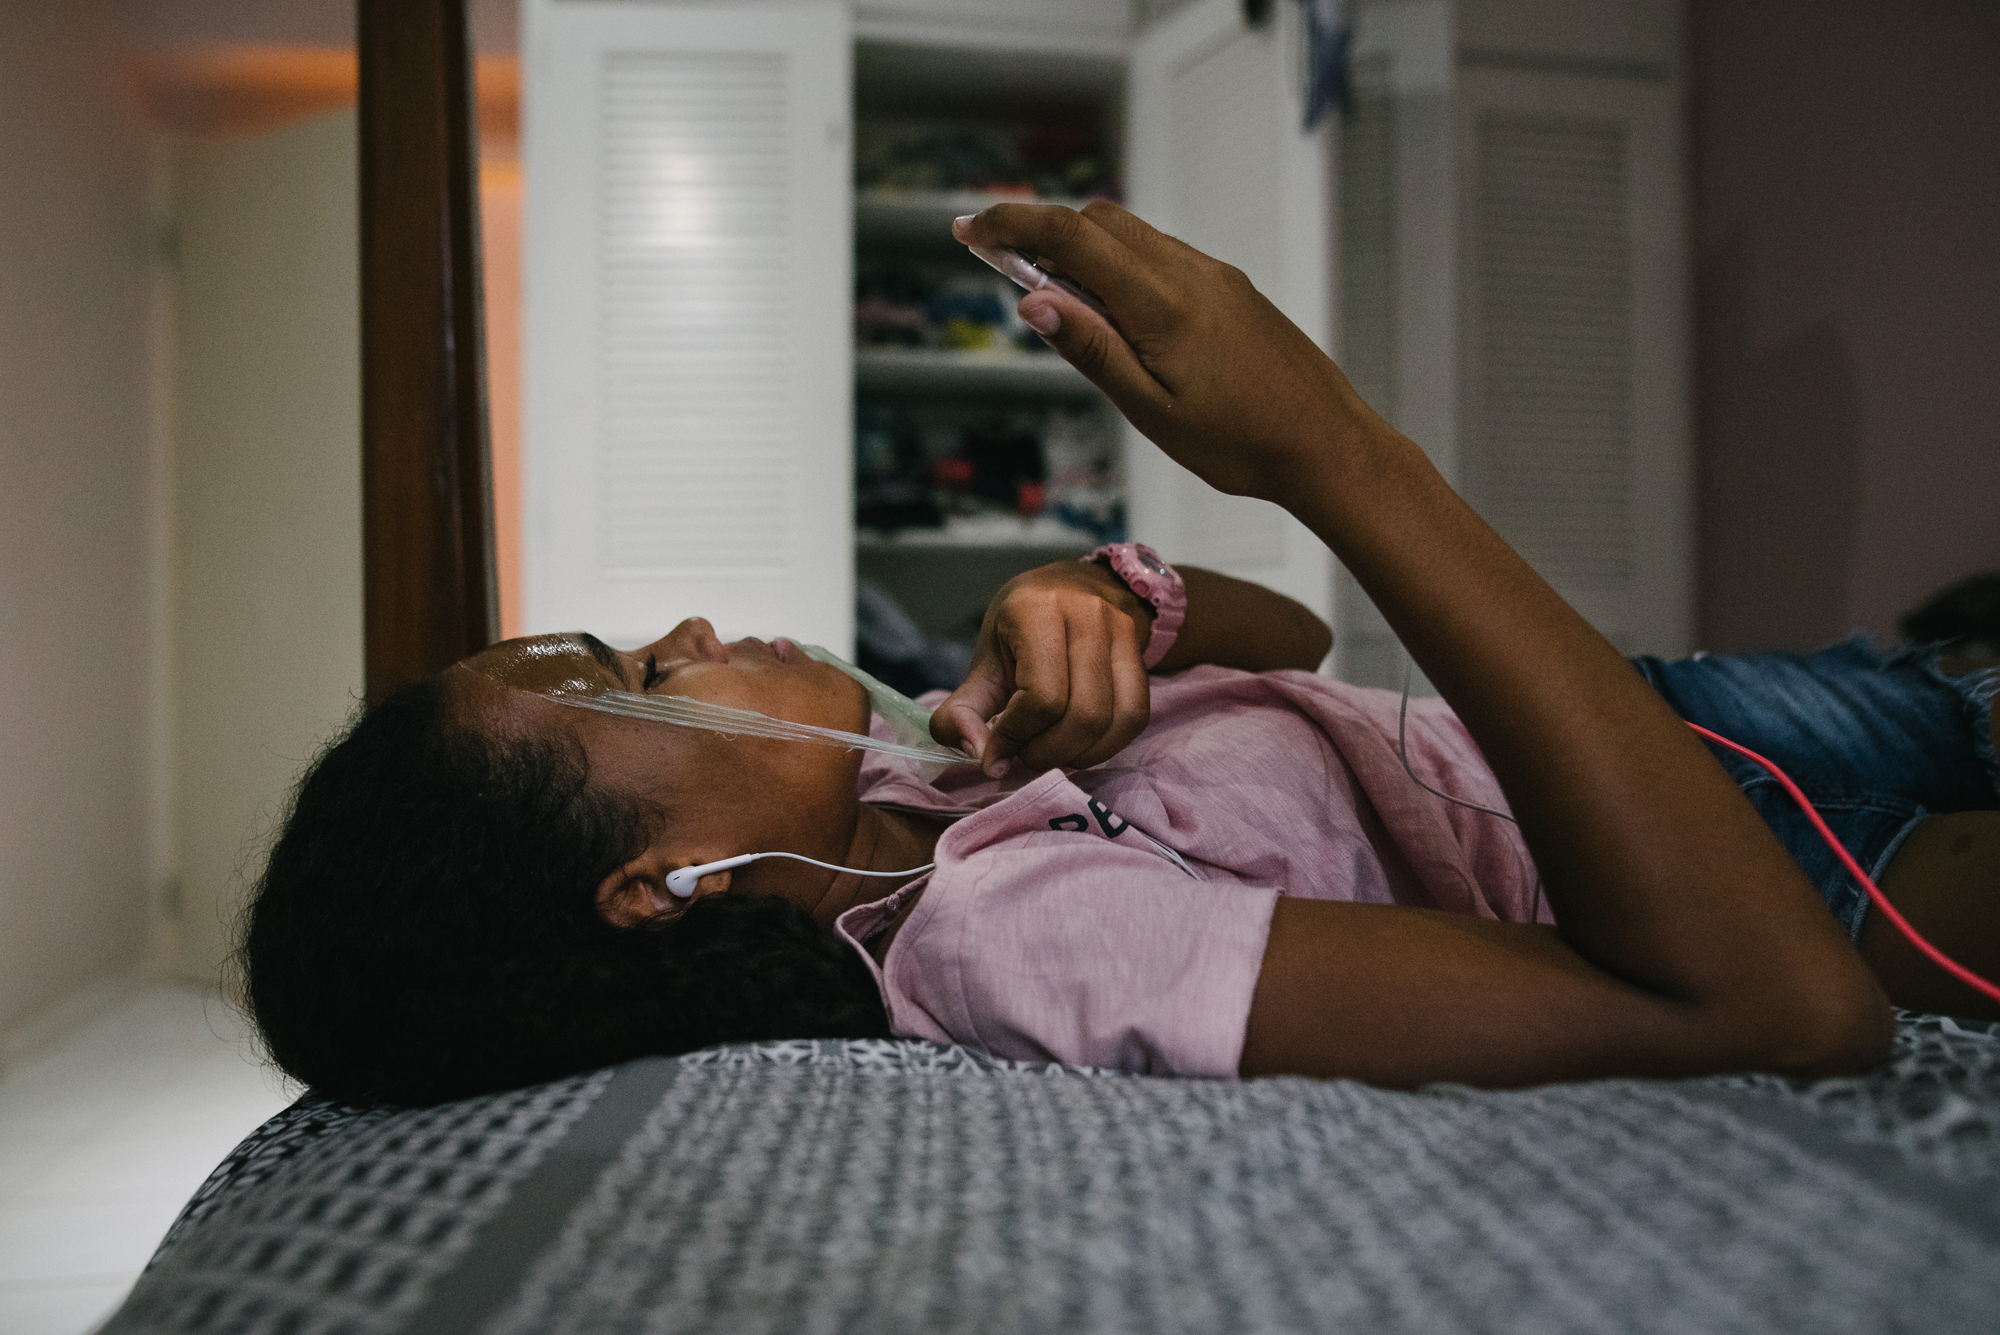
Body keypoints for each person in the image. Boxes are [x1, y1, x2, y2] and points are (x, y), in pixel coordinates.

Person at [244, 203, 1997, 1108]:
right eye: (631, 668)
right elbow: (1780, 1013)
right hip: (1722, 864)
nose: (695, 627)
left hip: (1686, 713)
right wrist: (1332, 449)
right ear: (658, 882)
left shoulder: (925, 759)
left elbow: (1294, 637)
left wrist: (1102, 588)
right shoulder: (1023, 939)